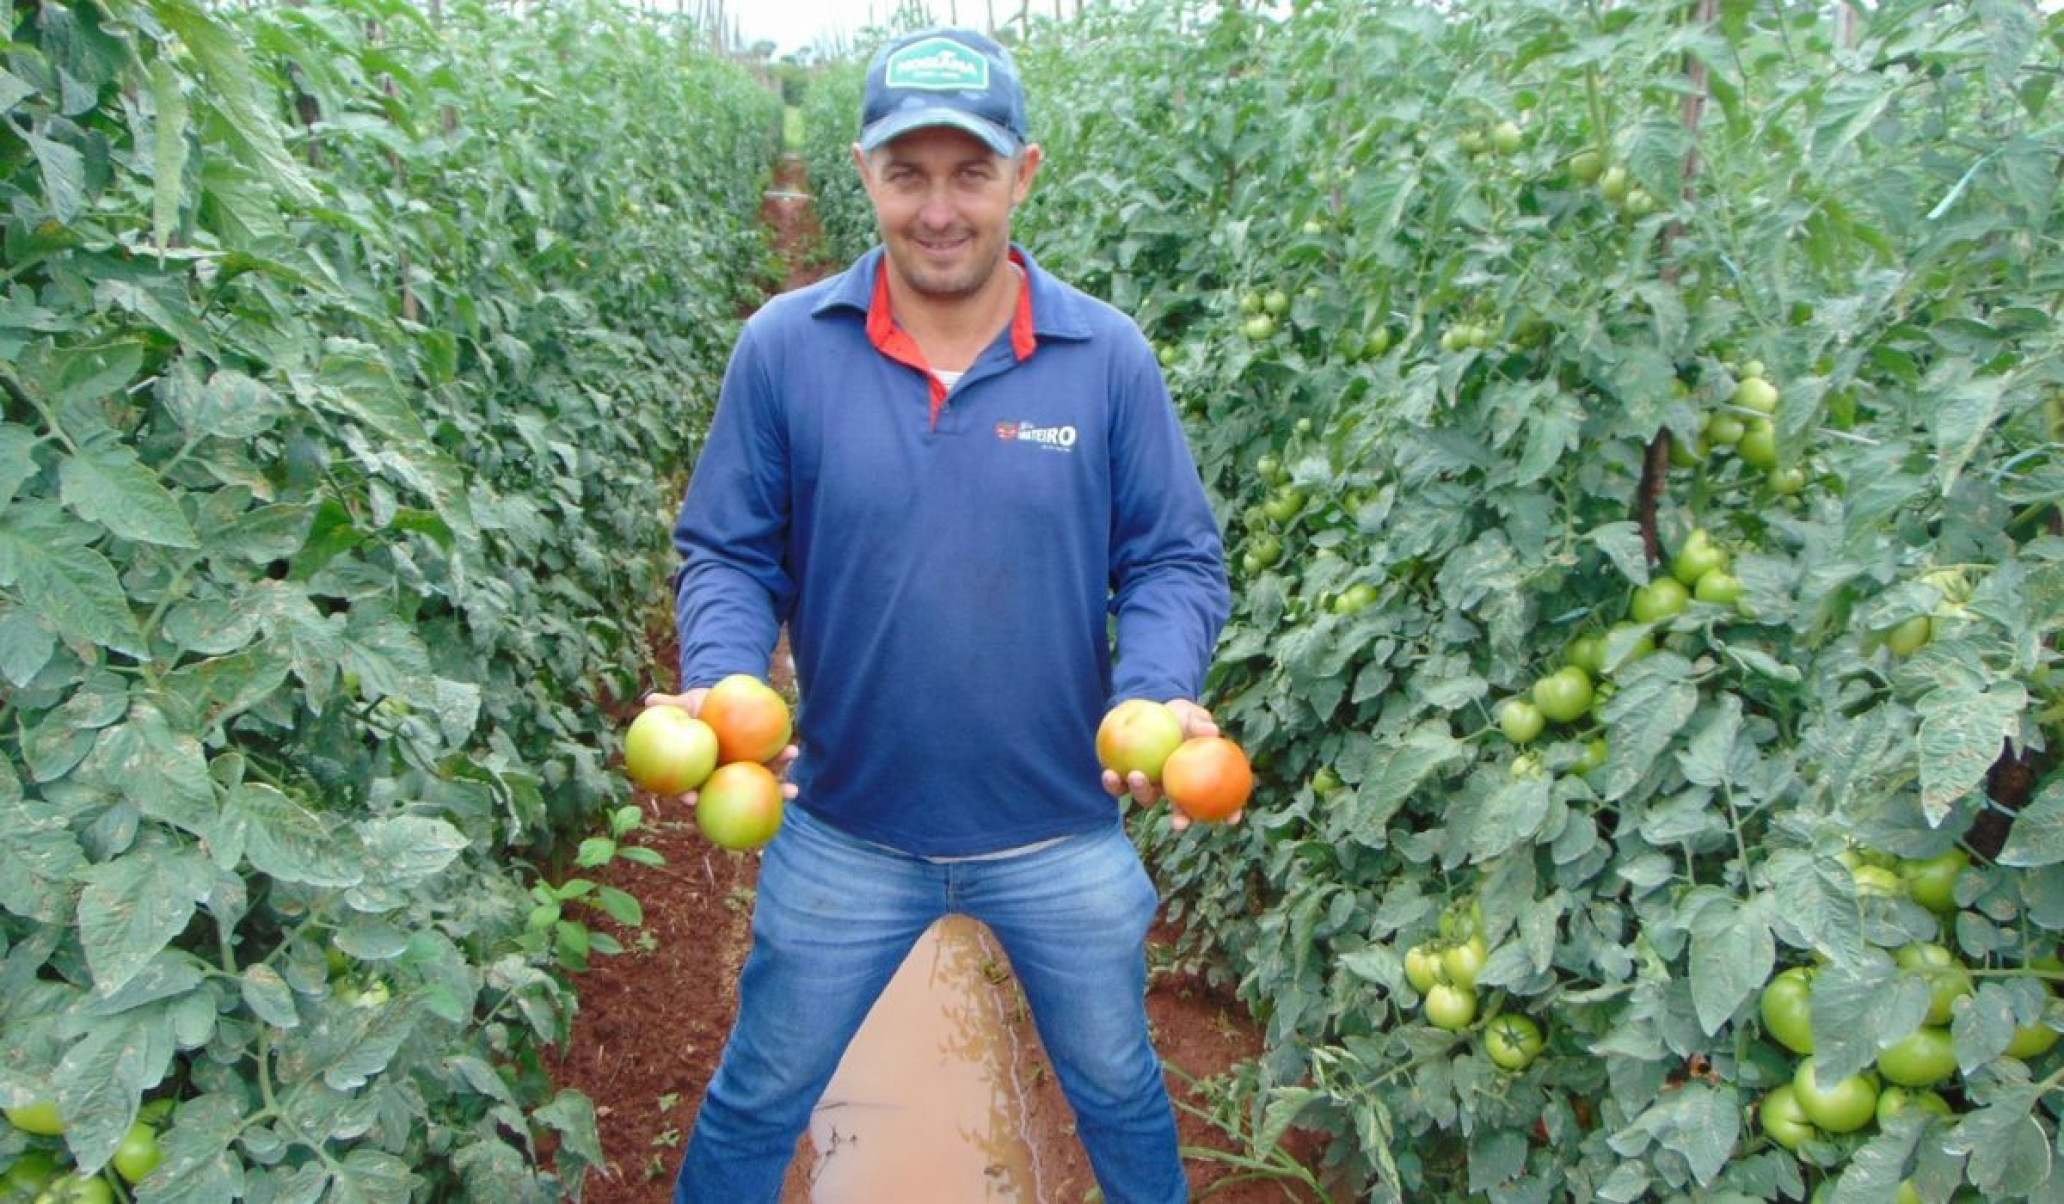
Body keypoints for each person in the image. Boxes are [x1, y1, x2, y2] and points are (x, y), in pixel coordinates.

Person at [649, 26, 1232, 1203]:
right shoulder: (786, 351)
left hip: (1060, 831)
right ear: (862, 172)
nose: (939, 208)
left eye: (970, 171)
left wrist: (1155, 685)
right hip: (846, 832)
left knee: (1118, 1091)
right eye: (907, 173)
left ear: (1024, 172)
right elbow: (726, 550)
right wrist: (723, 679)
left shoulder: (1104, 357)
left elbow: (1172, 555)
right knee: (760, 1095)